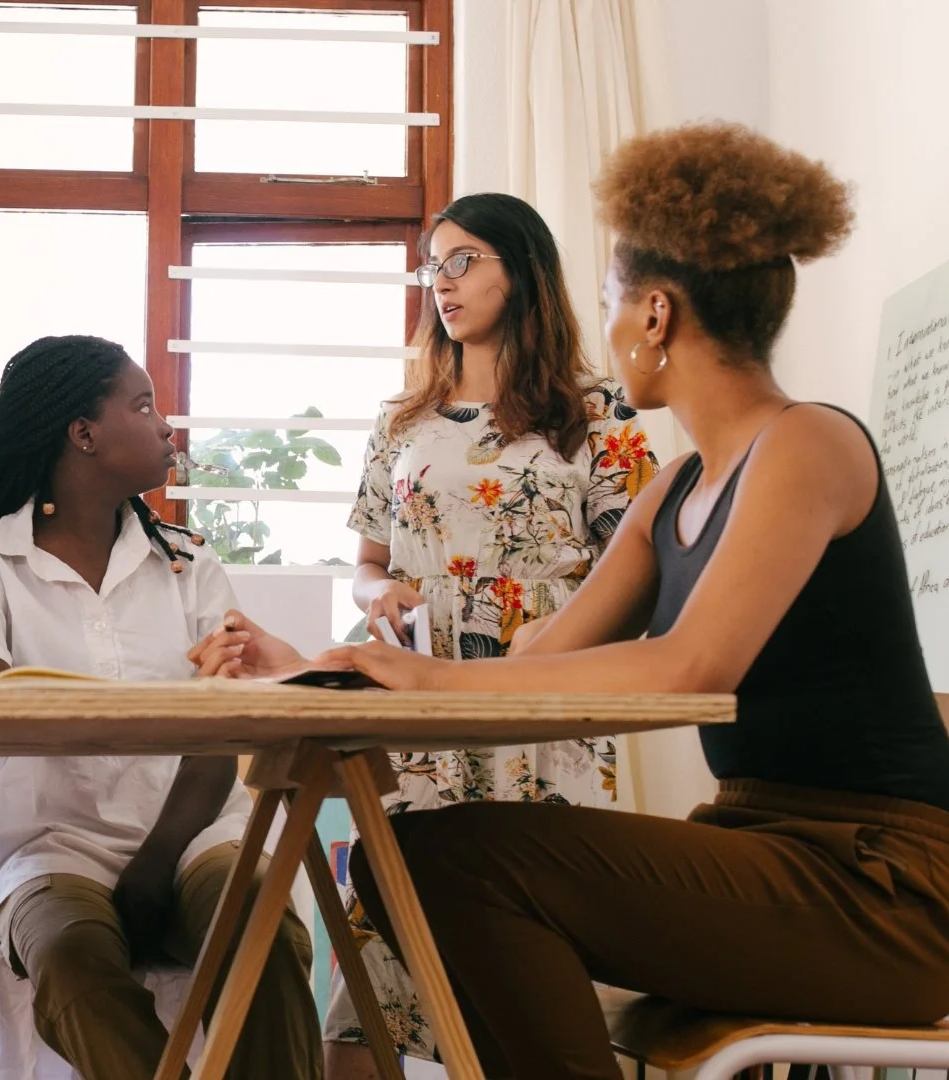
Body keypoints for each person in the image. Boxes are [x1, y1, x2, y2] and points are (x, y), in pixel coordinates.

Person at [304, 122, 949, 1078]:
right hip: (766, 852)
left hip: (879, 889)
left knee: (451, 865)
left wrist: (417, 677)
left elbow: (690, 667)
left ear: (656, 316)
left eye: (616, 302)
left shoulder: (806, 444)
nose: (610, 327)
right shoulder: (674, 489)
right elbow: (540, 667)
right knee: (412, 855)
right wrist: (325, 678)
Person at [327, 192, 656, 1073]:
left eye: (465, 258)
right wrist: (378, 595)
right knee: (374, 978)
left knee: (534, 986)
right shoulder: (401, 423)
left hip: (545, 717)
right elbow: (364, 565)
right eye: (434, 264)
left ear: (525, 269)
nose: (444, 281)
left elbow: (642, 573)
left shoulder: (602, 416)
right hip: (423, 719)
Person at [0, 335, 321, 1080]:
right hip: (52, 849)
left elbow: (222, 740)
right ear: (83, 434)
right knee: (74, 971)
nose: (165, 424)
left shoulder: (189, 562)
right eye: (143, 406)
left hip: (197, 838)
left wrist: (151, 873)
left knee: (266, 943)